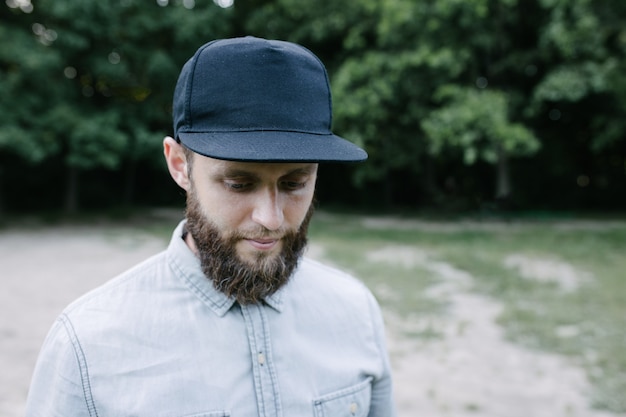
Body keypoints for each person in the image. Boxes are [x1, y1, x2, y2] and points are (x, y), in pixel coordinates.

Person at [26, 36, 397, 417]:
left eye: (294, 184)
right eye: (238, 184)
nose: (270, 218)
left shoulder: (355, 311)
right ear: (178, 165)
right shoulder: (87, 343)